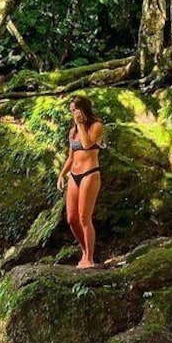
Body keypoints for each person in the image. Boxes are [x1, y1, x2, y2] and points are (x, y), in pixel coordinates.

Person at [56, 95, 104, 269]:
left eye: (75, 110)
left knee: (84, 217)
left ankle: (89, 259)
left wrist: (81, 124)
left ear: (83, 110)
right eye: (71, 111)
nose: (73, 114)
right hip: (74, 175)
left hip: (89, 174)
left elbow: (86, 144)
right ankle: (84, 251)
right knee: (72, 218)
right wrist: (62, 174)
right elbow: (71, 156)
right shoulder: (72, 132)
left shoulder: (96, 126)